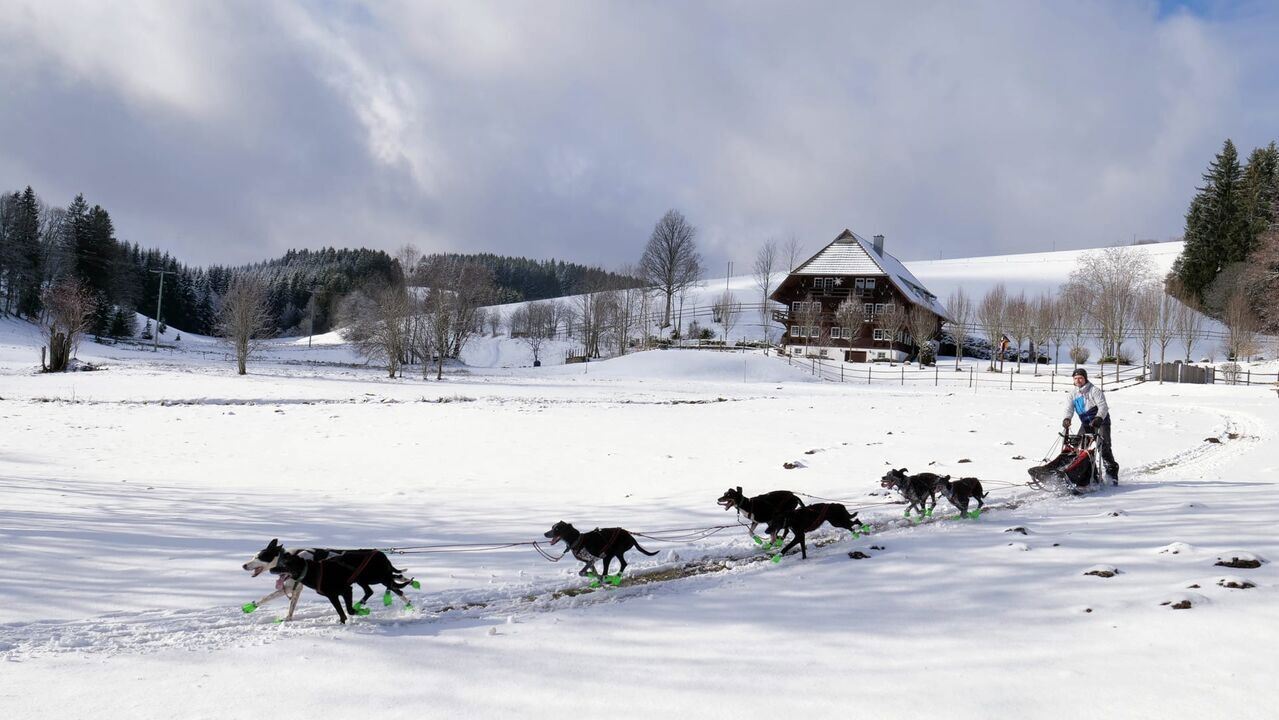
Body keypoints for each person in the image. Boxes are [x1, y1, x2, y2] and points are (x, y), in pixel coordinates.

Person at [1061, 368, 1119, 485]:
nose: (1078, 380)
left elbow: (1103, 406)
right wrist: (1067, 419)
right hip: (1086, 423)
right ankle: (1085, 473)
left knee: (1104, 447)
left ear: (1085, 378)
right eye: (1076, 378)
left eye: (1080, 378)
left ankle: (1112, 473)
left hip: (1101, 421)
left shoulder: (1094, 390)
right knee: (1077, 446)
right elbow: (1069, 409)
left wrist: (1098, 418)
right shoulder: (1072, 394)